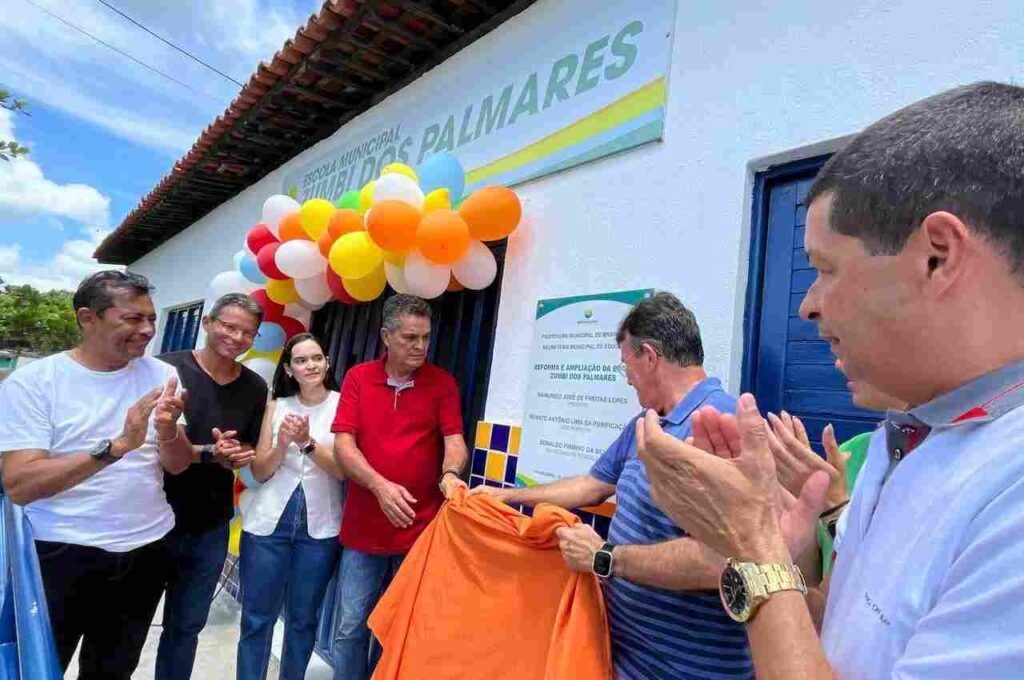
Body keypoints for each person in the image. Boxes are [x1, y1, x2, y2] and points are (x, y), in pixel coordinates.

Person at [637, 82, 1024, 679]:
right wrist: (787, 561)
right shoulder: (909, 437)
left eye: (824, 269)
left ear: (937, 256)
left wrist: (751, 545)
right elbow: (843, 647)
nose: (807, 306)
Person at [472, 292, 753, 680]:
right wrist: (506, 495)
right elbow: (592, 485)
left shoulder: (720, 425)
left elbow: (720, 561)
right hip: (625, 660)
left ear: (650, 356)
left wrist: (605, 557)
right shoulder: (647, 422)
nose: (626, 378)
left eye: (627, 364)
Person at [0, 270, 192, 680]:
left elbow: (176, 464)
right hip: (60, 555)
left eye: (152, 319)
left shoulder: (161, 376)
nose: (147, 330)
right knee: (38, 669)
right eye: (133, 319)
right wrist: (116, 447)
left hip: (145, 551)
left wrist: (168, 430)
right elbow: (19, 484)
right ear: (87, 318)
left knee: (113, 670)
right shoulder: (35, 383)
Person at [330, 294, 469, 680]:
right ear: (386, 337)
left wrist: (451, 474)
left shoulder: (442, 383)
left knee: (399, 631)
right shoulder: (359, 377)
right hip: (364, 532)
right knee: (350, 628)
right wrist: (380, 486)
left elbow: (454, 440)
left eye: (425, 337)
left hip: (420, 533)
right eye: (410, 337)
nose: (420, 346)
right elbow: (344, 443)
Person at [157, 293, 268, 680]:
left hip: (211, 524)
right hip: (152, 520)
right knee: (127, 627)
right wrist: (210, 452)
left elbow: (252, 442)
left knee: (186, 628)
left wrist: (239, 453)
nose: (237, 337)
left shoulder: (254, 387)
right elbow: (150, 443)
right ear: (208, 323)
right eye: (229, 326)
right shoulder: (166, 370)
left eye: (247, 332)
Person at [237, 333, 345, 680]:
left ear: (327, 363)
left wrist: (308, 442)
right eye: (300, 360)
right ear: (288, 368)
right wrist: (283, 443)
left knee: (302, 620)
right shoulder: (276, 406)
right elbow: (260, 471)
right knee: (257, 617)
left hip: (321, 528)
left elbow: (344, 472)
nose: (310, 365)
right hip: (268, 526)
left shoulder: (344, 405)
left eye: (316, 358)